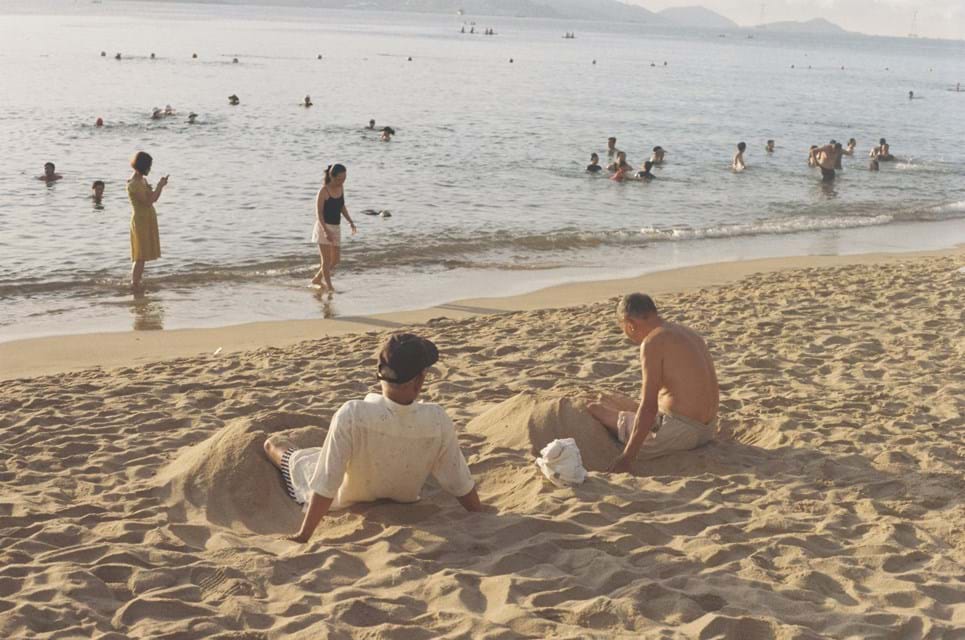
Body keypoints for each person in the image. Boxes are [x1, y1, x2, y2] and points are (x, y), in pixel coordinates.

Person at [264, 333, 484, 543]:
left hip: (349, 496)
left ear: (379, 374)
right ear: (418, 382)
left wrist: (304, 535)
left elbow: (326, 482)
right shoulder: (437, 419)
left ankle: (279, 448)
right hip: (401, 494)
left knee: (275, 446)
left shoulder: (352, 414)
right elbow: (459, 481)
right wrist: (479, 514)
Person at [587, 294, 719, 473]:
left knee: (597, 410)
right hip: (708, 428)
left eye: (623, 329)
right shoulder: (687, 332)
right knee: (616, 403)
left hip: (682, 433)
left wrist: (627, 457)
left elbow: (648, 406)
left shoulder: (652, 342)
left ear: (629, 324)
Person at [311, 164, 357, 291]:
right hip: (323, 227)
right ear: (332, 176)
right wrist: (325, 231)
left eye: (344, 178)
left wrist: (350, 221)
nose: (342, 181)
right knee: (326, 261)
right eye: (340, 179)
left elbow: (342, 206)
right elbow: (319, 213)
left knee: (336, 260)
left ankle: (317, 278)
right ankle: (330, 287)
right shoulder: (323, 191)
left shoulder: (341, 187)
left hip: (336, 227)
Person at [126, 151, 167, 289]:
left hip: (147, 218)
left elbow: (152, 198)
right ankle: (134, 282)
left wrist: (158, 187)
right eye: (149, 166)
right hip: (141, 220)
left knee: (142, 255)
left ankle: (137, 281)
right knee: (140, 255)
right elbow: (149, 200)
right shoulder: (135, 183)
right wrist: (160, 186)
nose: (150, 169)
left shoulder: (142, 180)